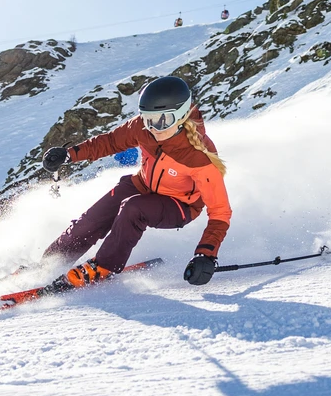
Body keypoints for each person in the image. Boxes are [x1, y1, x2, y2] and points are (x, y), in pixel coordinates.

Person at [39, 76, 230, 288]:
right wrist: (69, 155)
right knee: (91, 220)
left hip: (180, 205)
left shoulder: (199, 156)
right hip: (143, 184)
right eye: (148, 118)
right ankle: (50, 262)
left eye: (162, 119)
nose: (153, 127)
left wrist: (206, 254)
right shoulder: (143, 129)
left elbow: (220, 212)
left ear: (182, 115)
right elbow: (110, 142)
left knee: (133, 208)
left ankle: (104, 266)